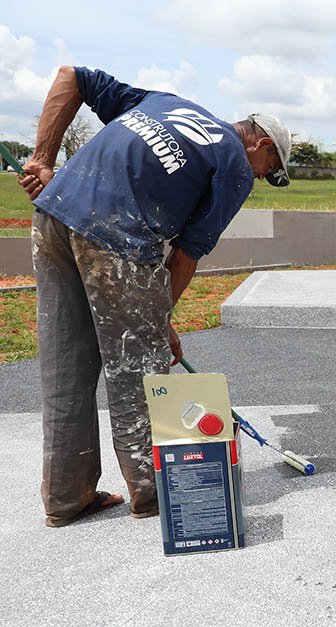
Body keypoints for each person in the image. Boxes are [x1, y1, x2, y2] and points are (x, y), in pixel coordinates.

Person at [20, 66, 291, 527]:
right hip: (117, 238)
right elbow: (186, 254)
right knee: (138, 370)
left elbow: (72, 77)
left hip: (54, 217)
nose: (261, 178)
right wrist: (159, 322)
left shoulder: (166, 102)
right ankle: (151, 492)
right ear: (261, 146)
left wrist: (43, 159)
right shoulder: (235, 166)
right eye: (270, 171)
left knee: (67, 364)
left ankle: (67, 497)